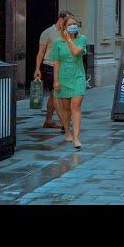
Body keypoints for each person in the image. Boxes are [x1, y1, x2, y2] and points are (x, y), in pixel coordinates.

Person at [50, 15, 88, 149]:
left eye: (75, 24)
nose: (73, 26)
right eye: (70, 24)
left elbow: (77, 52)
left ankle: (76, 137)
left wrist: (68, 40)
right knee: (66, 108)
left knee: (76, 106)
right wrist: (55, 81)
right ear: (64, 27)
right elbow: (56, 62)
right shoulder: (58, 43)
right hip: (63, 78)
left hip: (78, 77)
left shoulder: (82, 39)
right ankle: (67, 131)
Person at [34, 10, 73, 130]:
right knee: (56, 93)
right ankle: (64, 122)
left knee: (53, 95)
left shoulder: (67, 33)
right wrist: (37, 69)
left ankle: (48, 121)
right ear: (60, 19)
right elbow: (41, 52)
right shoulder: (47, 33)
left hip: (64, 67)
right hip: (49, 66)